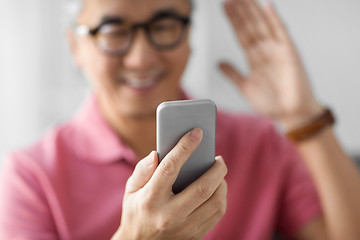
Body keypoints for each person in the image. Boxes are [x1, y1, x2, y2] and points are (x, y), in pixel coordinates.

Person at [1, 0, 360, 239]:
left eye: (165, 25)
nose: (141, 58)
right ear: (76, 47)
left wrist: (303, 114)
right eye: (113, 31)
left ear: (189, 36)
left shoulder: (259, 143)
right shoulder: (30, 177)